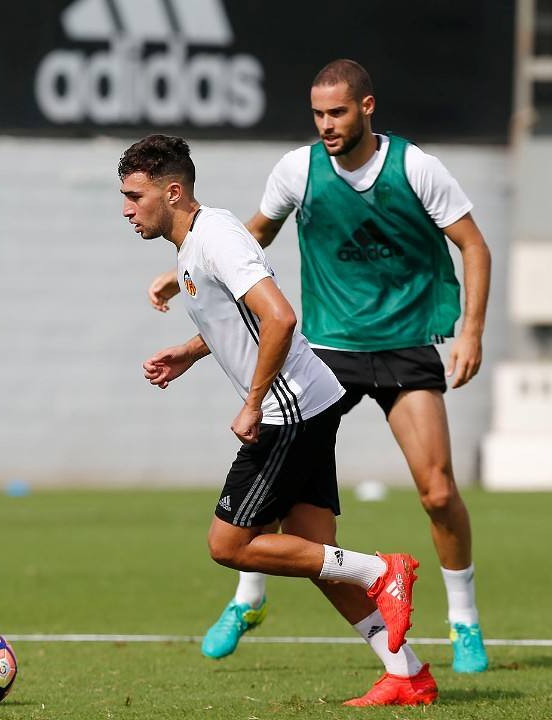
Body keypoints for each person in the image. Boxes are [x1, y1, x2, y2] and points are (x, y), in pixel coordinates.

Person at [146, 59, 492, 675]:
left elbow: (472, 244)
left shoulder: (414, 167)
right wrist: (189, 276)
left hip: (403, 344)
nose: (326, 125)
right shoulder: (294, 172)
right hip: (330, 346)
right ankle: (377, 658)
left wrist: (469, 331)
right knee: (297, 524)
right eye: (317, 114)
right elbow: (250, 241)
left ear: (367, 107)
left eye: (337, 112)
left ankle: (459, 618)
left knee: (436, 491)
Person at [120, 134, 437, 707]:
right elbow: (241, 322)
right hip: (306, 404)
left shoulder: (215, 238)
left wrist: (252, 401)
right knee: (317, 556)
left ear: (172, 192)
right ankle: (407, 674)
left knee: (228, 545)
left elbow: (279, 317)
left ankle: (380, 570)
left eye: (133, 195)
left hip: (287, 410)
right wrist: (189, 353)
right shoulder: (194, 244)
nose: (125, 209)